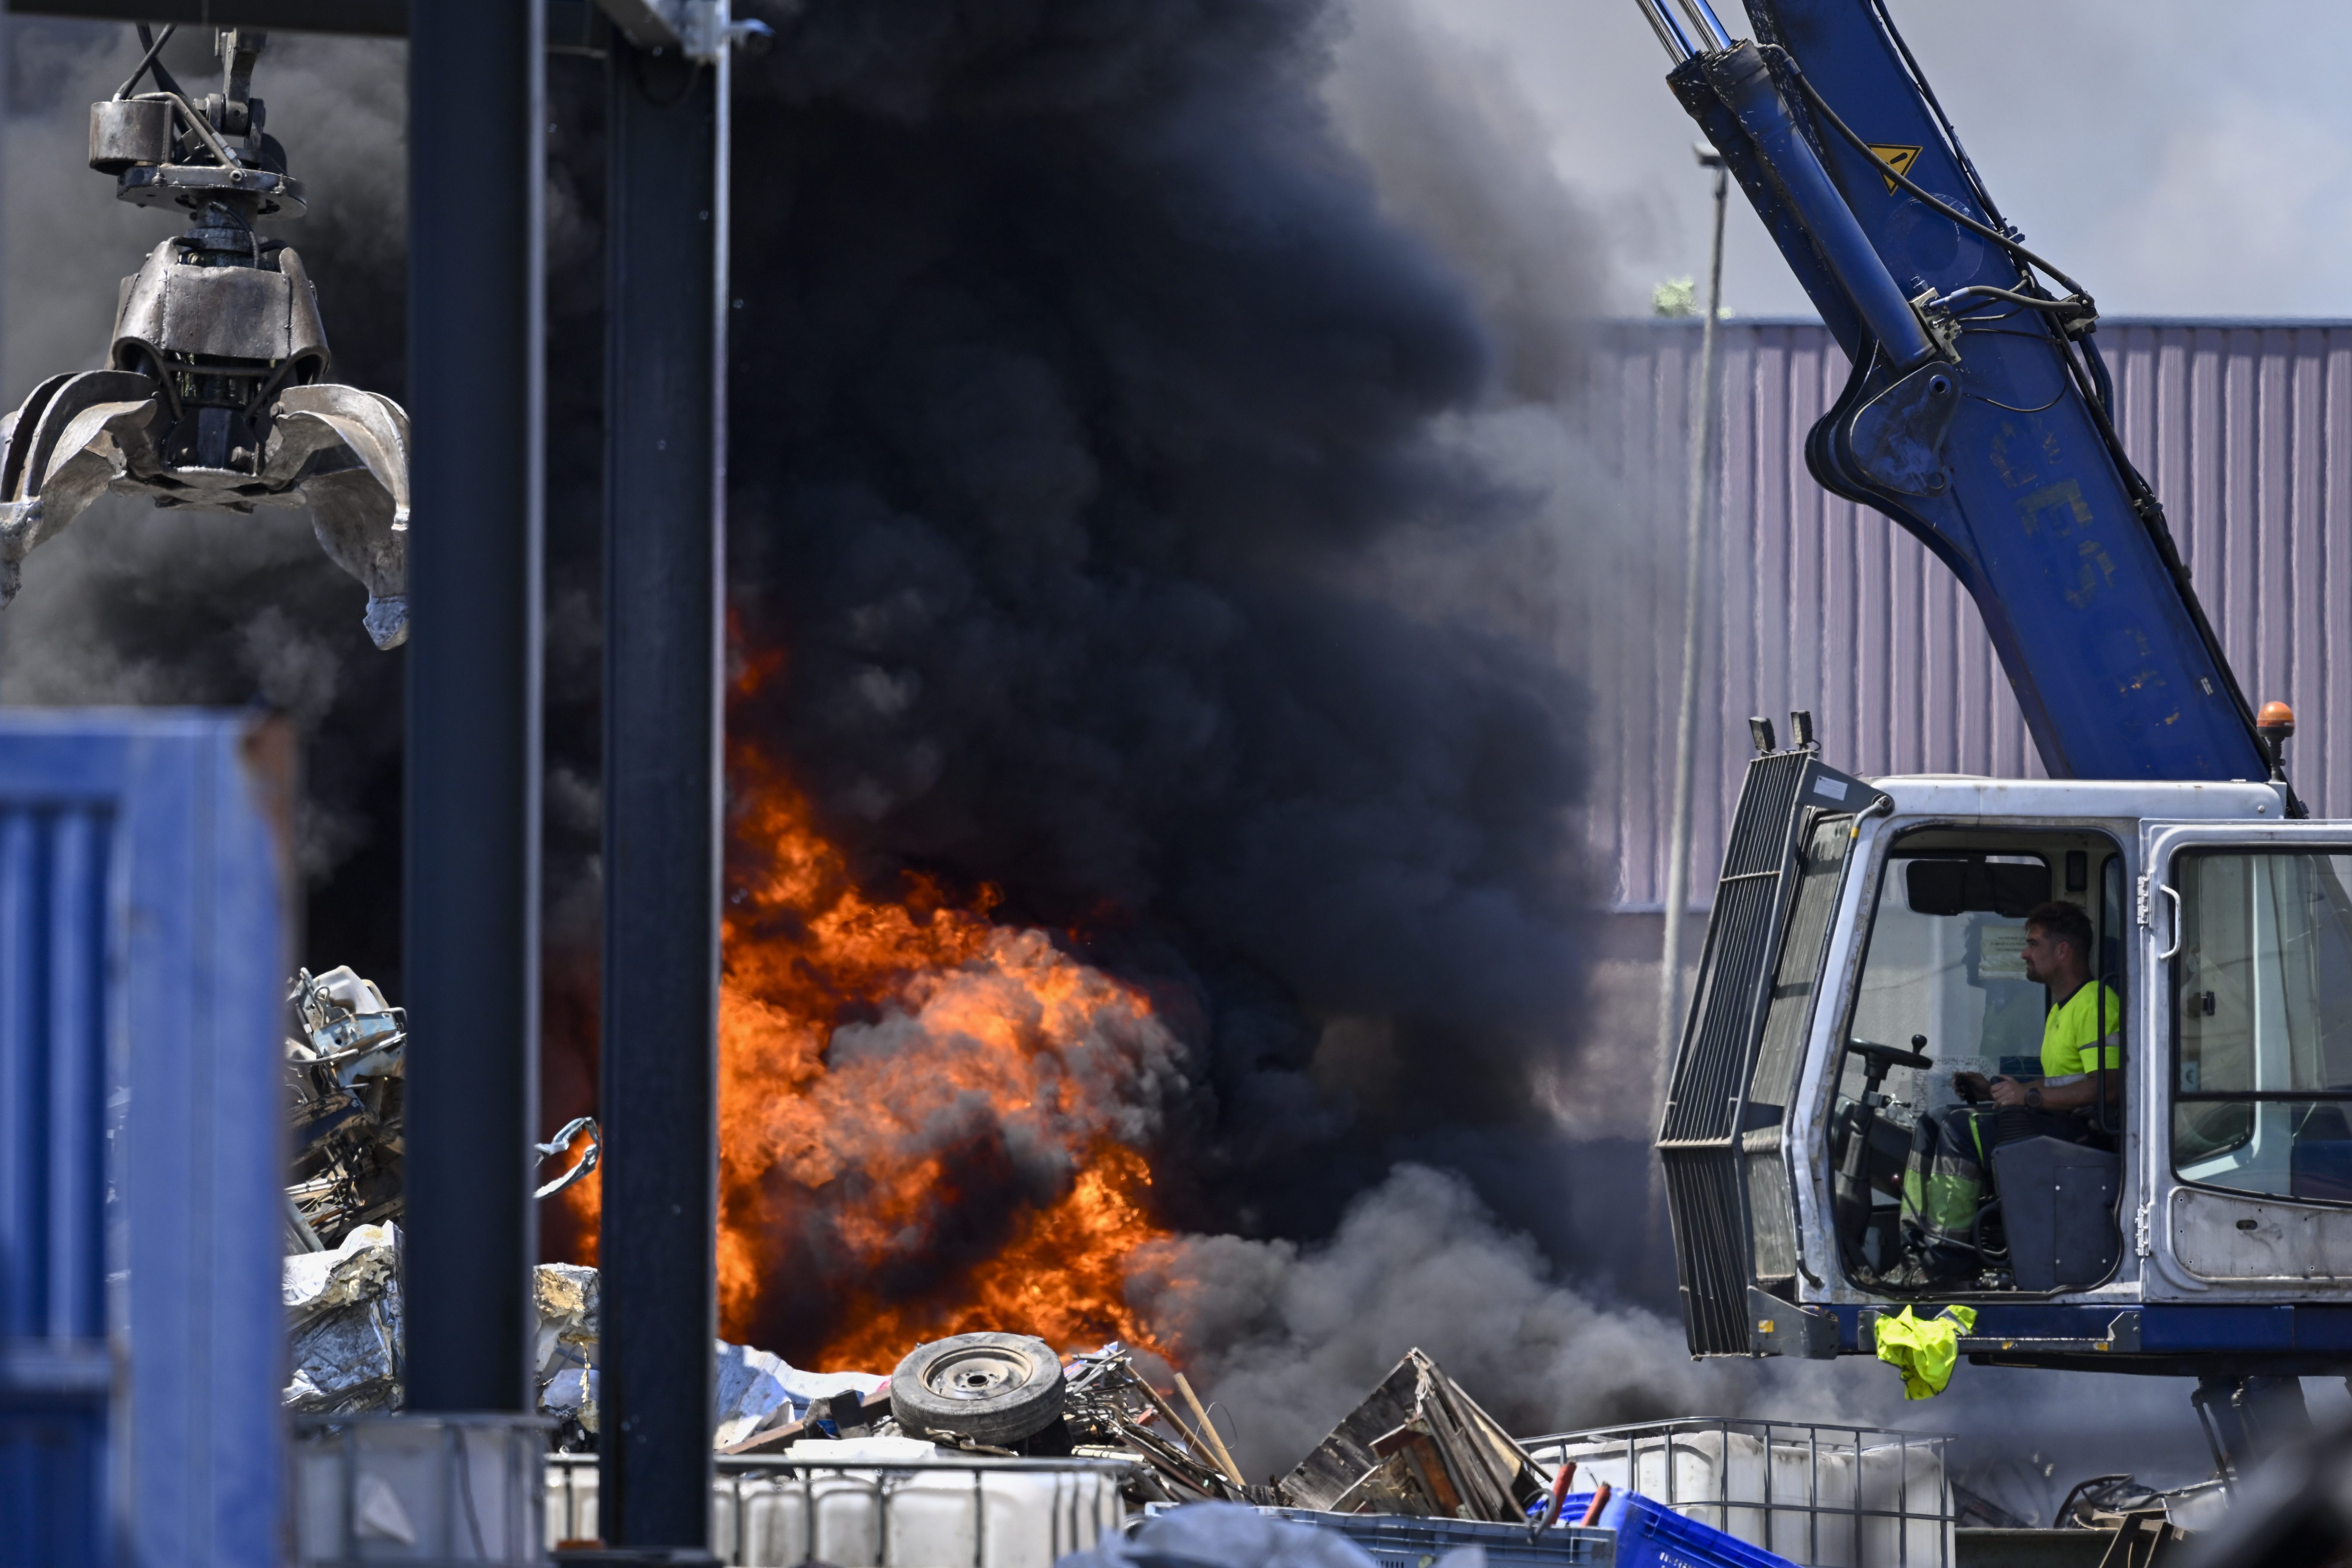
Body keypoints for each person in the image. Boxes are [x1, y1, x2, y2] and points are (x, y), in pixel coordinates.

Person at [1890, 900, 2120, 1284]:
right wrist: (1995, 1088)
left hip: (2082, 1133)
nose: (2024, 954)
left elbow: (2107, 1088)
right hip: (2054, 1122)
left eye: (2033, 943)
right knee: (1933, 1121)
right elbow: (2061, 1081)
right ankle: (1913, 1250)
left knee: (1959, 1129)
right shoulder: (2061, 1009)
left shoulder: (2096, 1004)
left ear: (2063, 951)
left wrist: (2028, 1098)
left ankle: (1944, 1262)